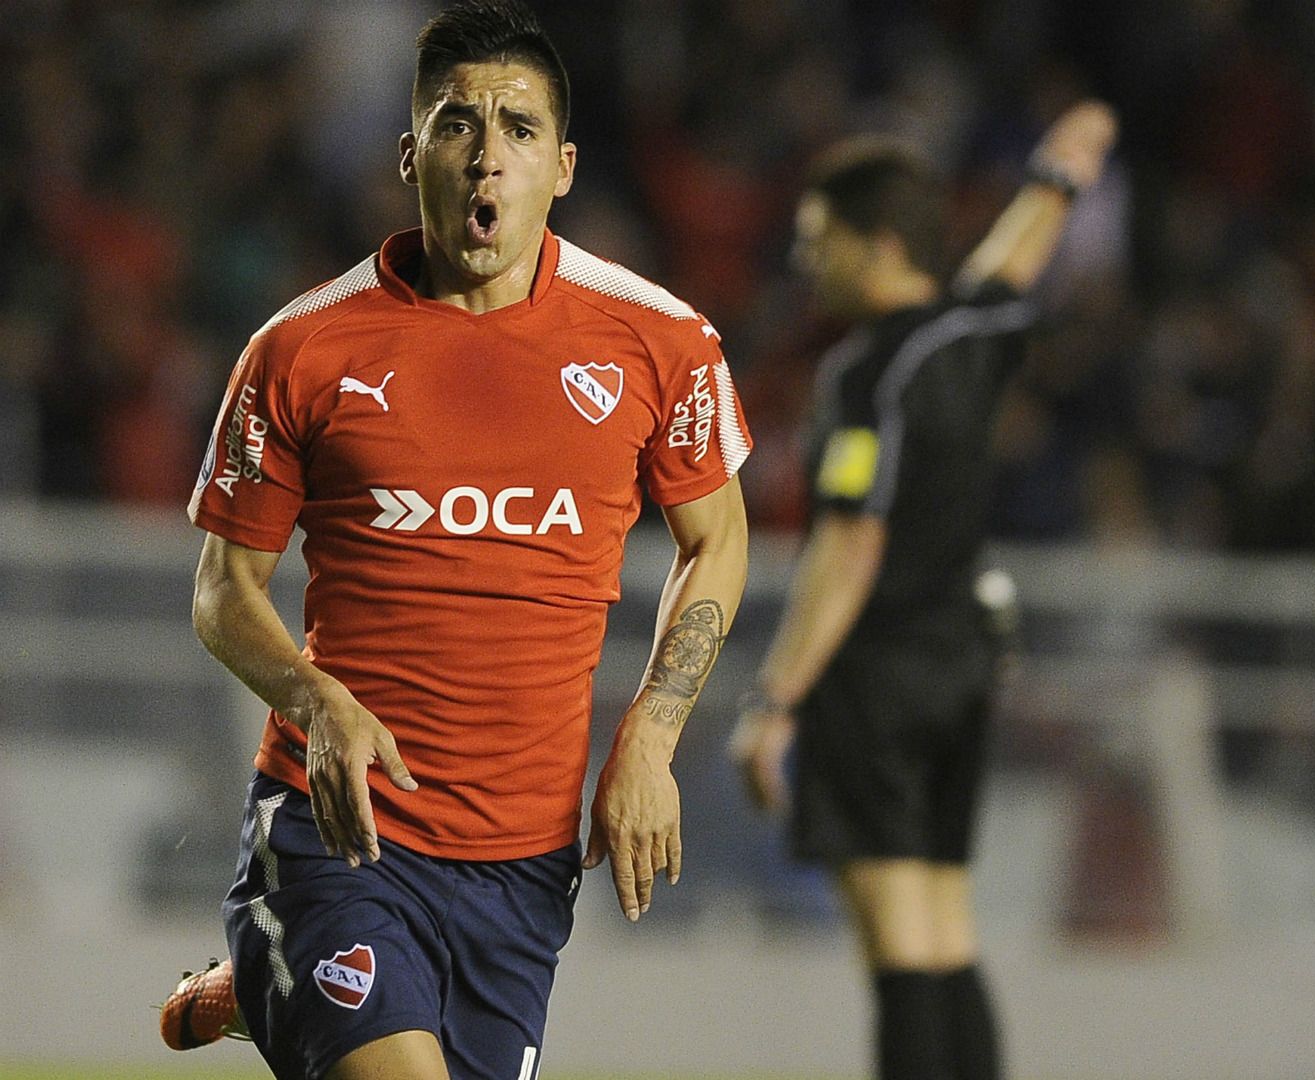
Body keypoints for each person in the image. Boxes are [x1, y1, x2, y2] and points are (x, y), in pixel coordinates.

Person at [158, 3, 751, 1077]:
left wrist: (652, 738)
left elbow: (718, 540)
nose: (487, 156)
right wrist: (317, 702)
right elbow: (222, 591)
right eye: (455, 124)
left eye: (519, 129)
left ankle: (262, 983)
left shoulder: (660, 342)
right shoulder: (300, 349)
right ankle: (285, 945)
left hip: (522, 869)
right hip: (341, 832)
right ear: (408, 153)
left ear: (563, 165)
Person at [727, 103, 1116, 1080]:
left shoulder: (868, 374)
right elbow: (1009, 266)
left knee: (900, 949)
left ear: (882, 245)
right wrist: (1059, 176)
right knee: (945, 931)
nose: (805, 261)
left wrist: (774, 700)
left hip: (881, 673)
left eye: (822, 242)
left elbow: (850, 544)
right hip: (961, 665)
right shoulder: (968, 334)